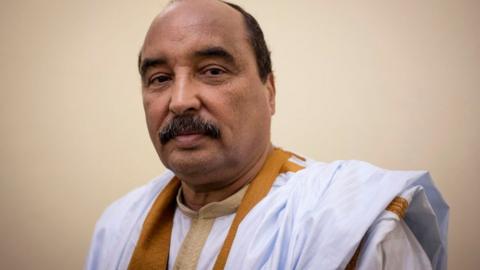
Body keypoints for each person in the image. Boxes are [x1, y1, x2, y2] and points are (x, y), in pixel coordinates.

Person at [86, 0, 448, 269]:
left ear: (269, 91)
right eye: (160, 79)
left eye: (212, 71)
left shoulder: (353, 225)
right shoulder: (119, 225)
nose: (180, 101)